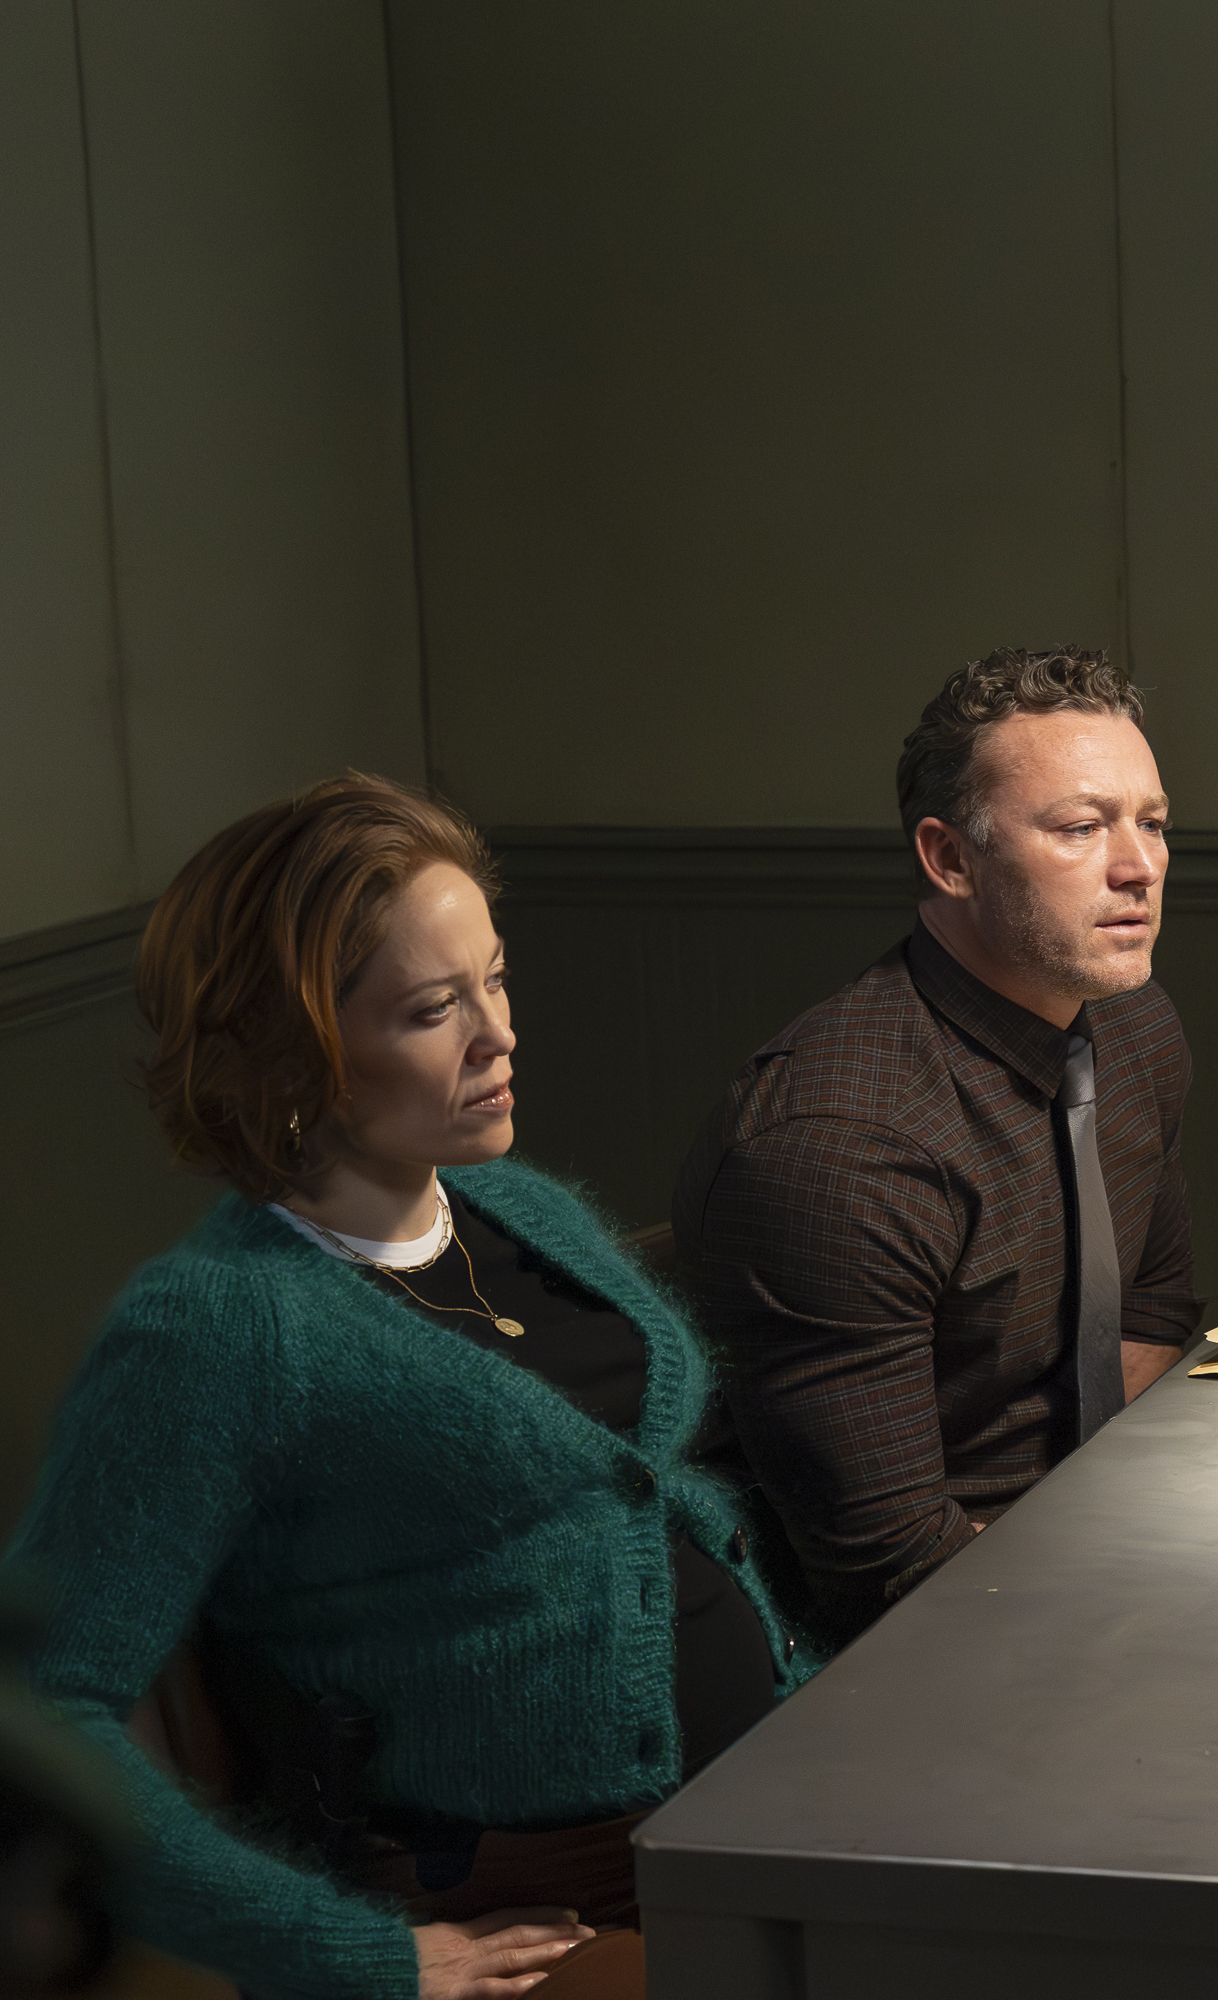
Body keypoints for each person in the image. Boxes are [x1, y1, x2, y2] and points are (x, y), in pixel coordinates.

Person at [9, 775, 811, 2000]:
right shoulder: (216, 1325)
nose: (499, 1034)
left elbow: (651, 1504)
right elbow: (48, 1706)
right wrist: (356, 1956)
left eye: (495, 978)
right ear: (290, 1053)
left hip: (747, 1811)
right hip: (530, 1903)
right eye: (435, 1008)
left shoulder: (516, 1202)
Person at [677, 648, 1203, 1645]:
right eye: (1081, 827)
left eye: (1153, 822)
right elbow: (889, 1565)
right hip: (891, 1644)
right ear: (950, 859)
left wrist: (1105, 1519)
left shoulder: (1134, 1027)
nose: (1138, 865)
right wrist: (1103, 1586)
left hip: (1087, 1539)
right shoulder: (839, 1145)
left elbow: (1152, 1311)